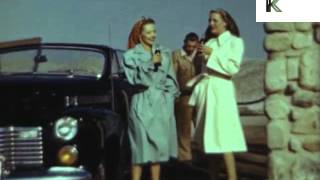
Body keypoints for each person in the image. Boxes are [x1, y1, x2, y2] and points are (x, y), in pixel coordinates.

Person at [188, 9, 247, 180]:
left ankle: (232, 177)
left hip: (223, 90)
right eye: (209, 20)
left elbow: (232, 68)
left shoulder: (235, 42)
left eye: (214, 20)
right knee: (210, 140)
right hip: (208, 90)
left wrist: (212, 54)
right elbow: (204, 69)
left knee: (225, 138)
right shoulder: (210, 43)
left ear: (225, 22)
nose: (211, 24)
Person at [123, 17, 180, 180]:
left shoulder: (164, 52)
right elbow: (133, 79)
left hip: (161, 104)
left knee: (158, 152)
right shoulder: (130, 55)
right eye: (148, 32)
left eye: (154, 31)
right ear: (139, 35)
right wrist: (150, 63)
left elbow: (171, 79)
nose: (153, 35)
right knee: (139, 152)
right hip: (141, 103)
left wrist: (169, 97)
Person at [172, 32, 204, 161]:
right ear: (184, 43)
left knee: (202, 127)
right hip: (184, 97)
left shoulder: (201, 56)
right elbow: (172, 76)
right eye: (188, 46)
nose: (190, 49)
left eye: (193, 46)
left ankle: (204, 157)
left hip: (200, 95)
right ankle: (185, 159)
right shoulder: (176, 55)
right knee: (183, 131)